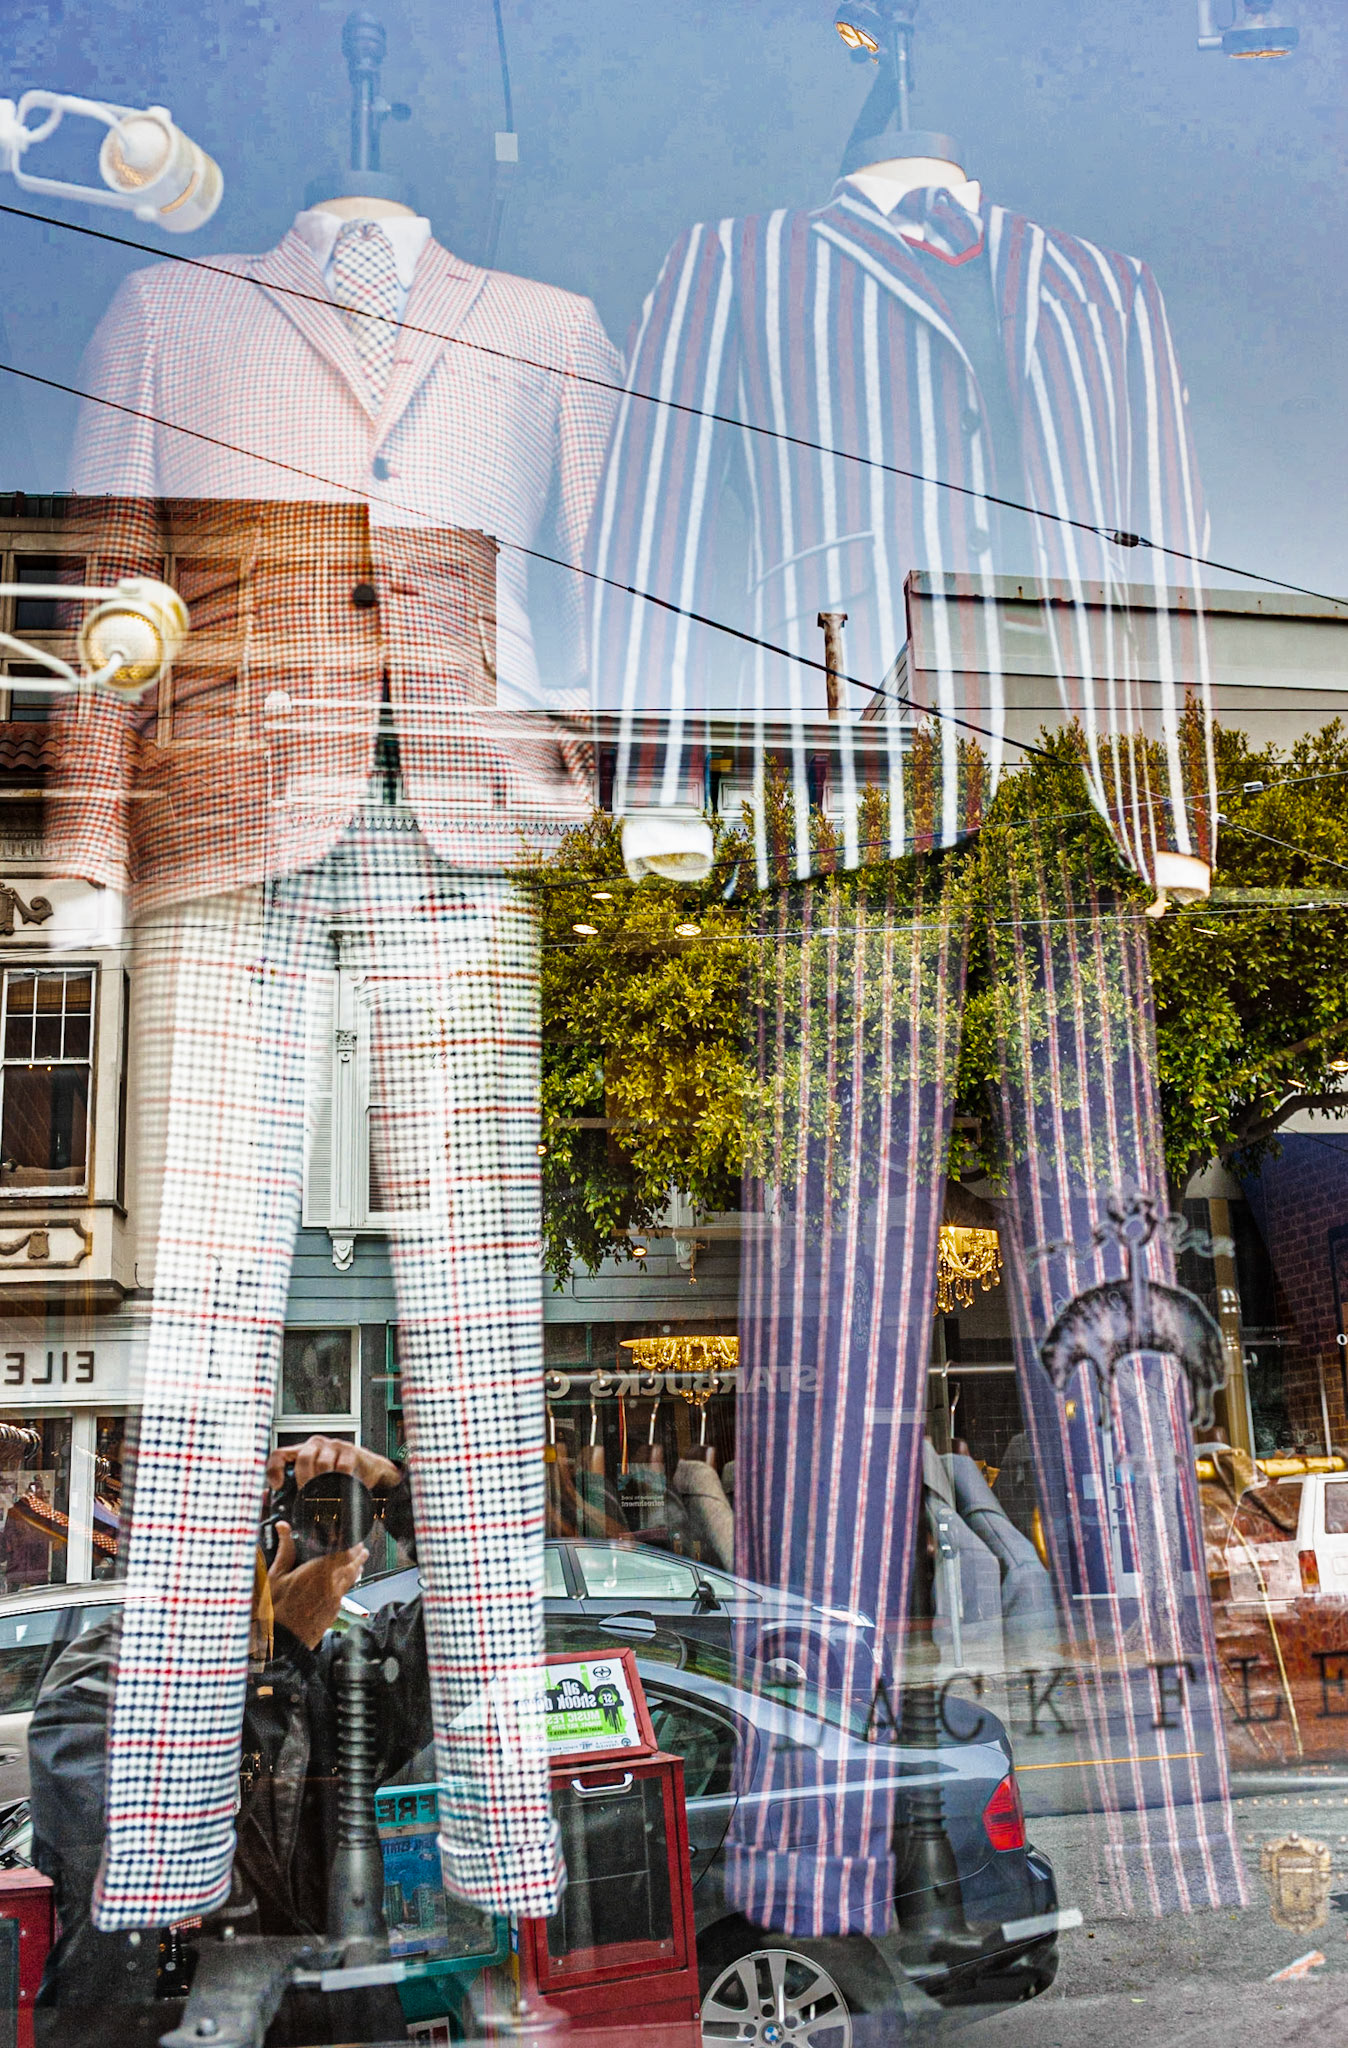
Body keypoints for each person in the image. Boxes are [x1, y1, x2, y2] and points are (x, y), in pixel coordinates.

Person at [29, 1435, 430, 2047]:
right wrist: (279, 1650)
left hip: (332, 2020)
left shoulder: (329, 1677)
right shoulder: (98, 1678)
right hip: (169, 2026)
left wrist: (397, 1496)